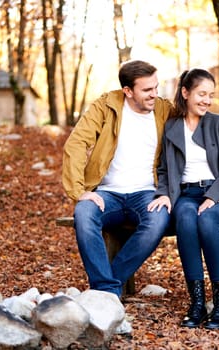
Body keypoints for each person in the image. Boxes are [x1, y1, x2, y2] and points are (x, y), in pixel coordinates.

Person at [148, 68, 219, 330]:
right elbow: (164, 169)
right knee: (186, 218)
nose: (206, 100)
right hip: (186, 194)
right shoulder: (172, 127)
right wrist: (164, 193)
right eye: (201, 94)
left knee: (208, 220)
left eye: (210, 95)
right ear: (185, 93)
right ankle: (197, 303)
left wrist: (212, 196)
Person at [61, 60, 173, 298]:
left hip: (146, 193)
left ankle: (105, 289)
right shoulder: (106, 106)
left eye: (156, 87)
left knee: (157, 220)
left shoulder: (164, 110)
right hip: (107, 193)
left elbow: (197, 129)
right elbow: (76, 144)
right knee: (84, 213)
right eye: (147, 90)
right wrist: (79, 191)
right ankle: (108, 289)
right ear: (128, 91)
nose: (154, 94)